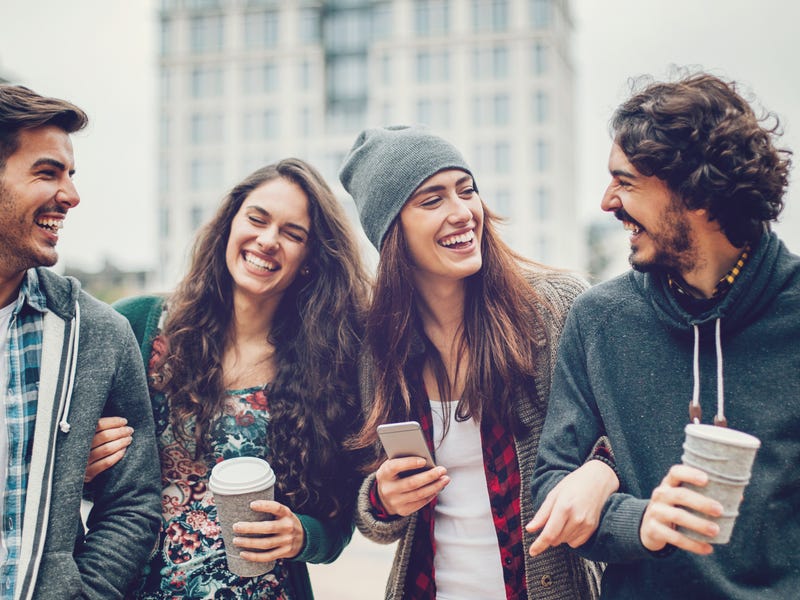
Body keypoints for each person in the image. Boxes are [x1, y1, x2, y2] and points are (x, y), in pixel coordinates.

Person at [530, 72, 799, 599]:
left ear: (697, 192)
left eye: (625, 182)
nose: (608, 202)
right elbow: (551, 486)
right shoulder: (600, 319)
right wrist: (639, 521)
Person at [339, 125, 615, 599]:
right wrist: (383, 499)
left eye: (466, 191)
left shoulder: (557, 309)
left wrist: (602, 469)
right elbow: (376, 520)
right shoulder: (377, 348)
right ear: (391, 232)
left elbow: (626, 437)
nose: (462, 212)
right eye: (432, 200)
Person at [86, 158, 370, 598]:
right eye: (257, 219)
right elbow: (72, 472)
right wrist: (81, 465)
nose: (268, 240)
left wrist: (302, 536)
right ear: (229, 225)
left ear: (310, 261)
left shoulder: (328, 370)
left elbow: (337, 524)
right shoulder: (137, 325)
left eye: (293, 234)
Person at [0, 85, 160, 599]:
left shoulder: (97, 334)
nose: (70, 195)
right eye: (48, 172)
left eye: (70, 175)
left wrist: (83, 594)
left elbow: (134, 503)